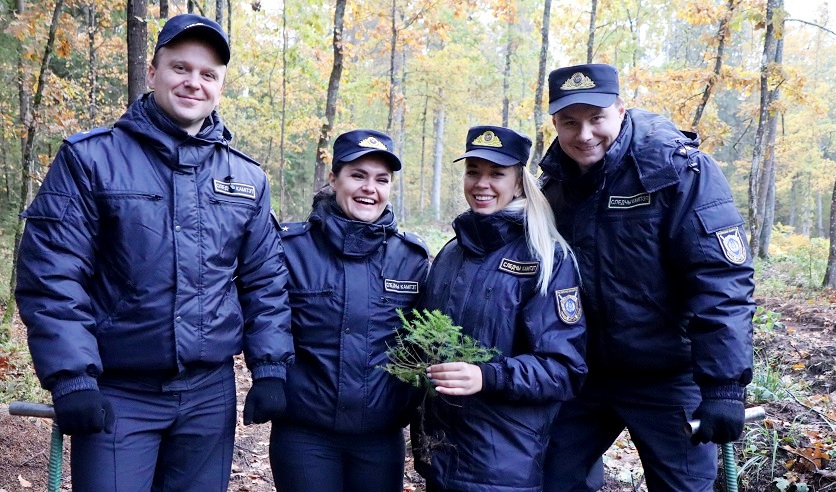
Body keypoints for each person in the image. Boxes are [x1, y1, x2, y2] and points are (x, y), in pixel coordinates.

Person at [14, 13, 293, 491]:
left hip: (209, 397)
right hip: (119, 392)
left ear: (220, 86)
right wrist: (72, 377)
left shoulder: (247, 178)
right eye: (180, 68)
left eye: (208, 74)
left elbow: (265, 281)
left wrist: (269, 367)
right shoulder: (91, 159)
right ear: (152, 72)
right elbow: (52, 274)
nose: (193, 83)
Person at [538, 63, 756, 491]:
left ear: (620, 110)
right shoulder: (552, 187)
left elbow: (721, 280)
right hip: (583, 375)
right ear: (555, 124)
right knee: (549, 478)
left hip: (668, 375)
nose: (584, 134)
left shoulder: (677, 170)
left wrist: (724, 386)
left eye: (596, 118)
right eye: (570, 122)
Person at [412, 125, 588, 492]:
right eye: (473, 171)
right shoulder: (451, 252)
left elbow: (564, 370)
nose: (482, 183)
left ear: (519, 183)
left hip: (503, 466)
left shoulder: (546, 257)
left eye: (496, 174)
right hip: (439, 457)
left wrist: (487, 376)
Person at [269, 129, 430, 492]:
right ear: (333, 179)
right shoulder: (290, 249)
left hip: (380, 437)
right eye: (358, 175)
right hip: (304, 434)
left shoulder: (411, 259)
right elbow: (267, 321)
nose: (369, 188)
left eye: (381, 180)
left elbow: (423, 342)